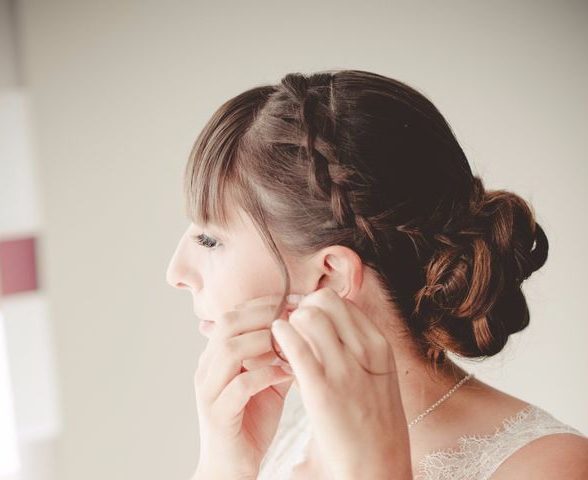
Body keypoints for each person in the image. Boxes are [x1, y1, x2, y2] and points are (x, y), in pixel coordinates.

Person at [165, 69, 588, 480]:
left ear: (330, 276)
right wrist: (226, 470)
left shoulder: (550, 468)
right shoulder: (288, 435)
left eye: (209, 240)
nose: (176, 273)